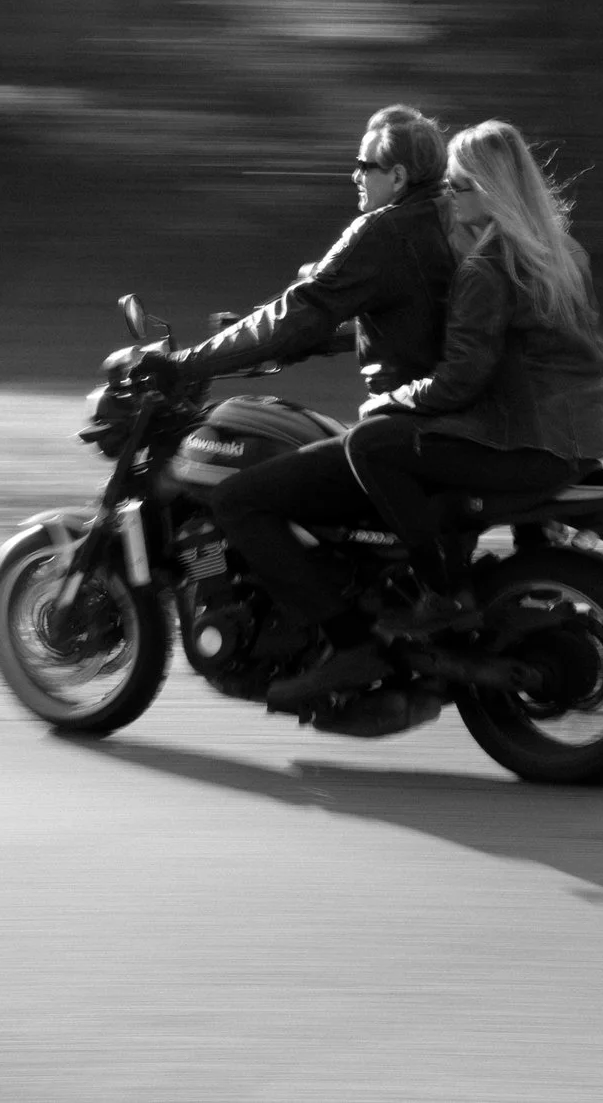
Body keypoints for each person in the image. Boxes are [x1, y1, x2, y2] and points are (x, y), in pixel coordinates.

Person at [133, 105, 457, 711]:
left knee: (238, 499)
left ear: (401, 178)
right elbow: (396, 316)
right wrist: (306, 339)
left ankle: (348, 642)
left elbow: (293, 313)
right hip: (451, 426)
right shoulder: (445, 221)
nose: (355, 174)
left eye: (367, 164)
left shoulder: (383, 231)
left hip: (407, 433)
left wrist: (189, 363)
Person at [344, 120, 603, 638]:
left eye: (458, 187)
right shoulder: (565, 253)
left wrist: (391, 400)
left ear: (490, 190)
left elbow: (457, 383)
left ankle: (442, 594)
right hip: (588, 436)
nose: (449, 198)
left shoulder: (487, 269)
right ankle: (531, 589)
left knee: (369, 444)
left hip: (533, 442)